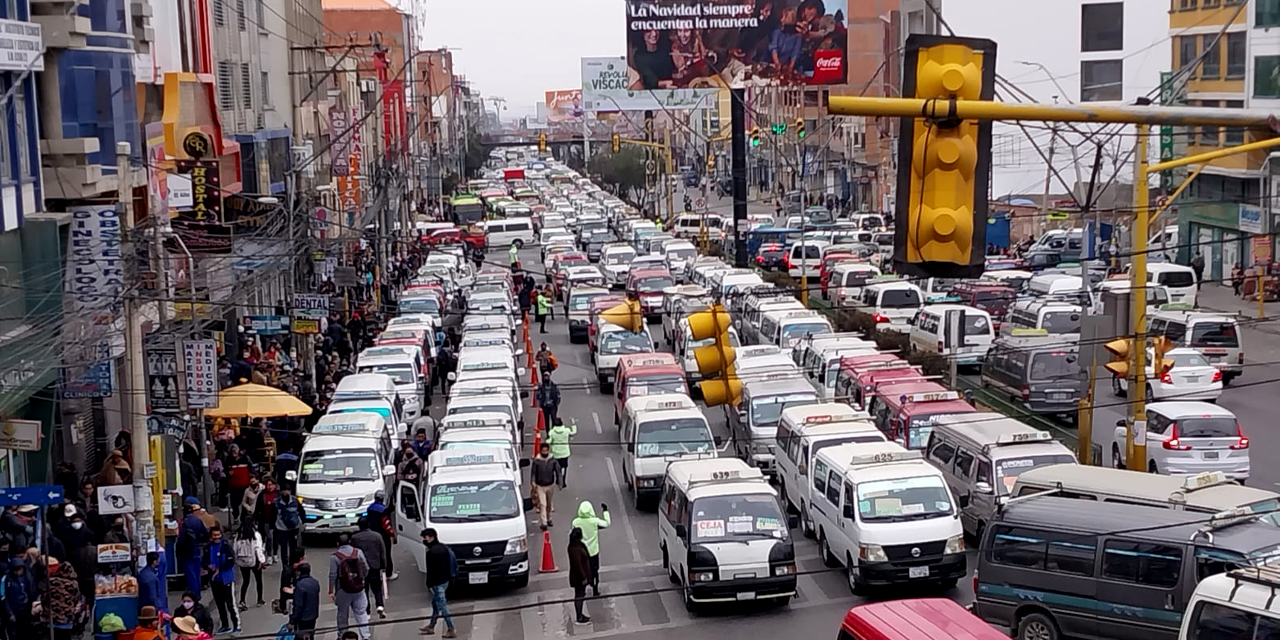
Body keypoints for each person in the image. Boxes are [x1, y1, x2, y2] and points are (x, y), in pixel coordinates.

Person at [328, 533, 371, 640]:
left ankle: (342, 635)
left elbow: (332, 575)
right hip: (359, 589)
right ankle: (366, 636)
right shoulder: (358, 552)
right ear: (350, 542)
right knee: (361, 613)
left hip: (343, 590)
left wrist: (331, 590)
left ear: (337, 543)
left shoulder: (335, 557)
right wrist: (361, 580)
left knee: (342, 614)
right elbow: (366, 568)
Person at [418, 528, 457, 637]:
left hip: (437, 583)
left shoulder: (431, 552)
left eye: (424, 537)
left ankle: (451, 628)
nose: (423, 540)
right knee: (436, 605)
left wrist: (429, 584)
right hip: (445, 580)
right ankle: (431, 626)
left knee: (442, 606)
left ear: (430, 537)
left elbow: (431, 570)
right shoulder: (444, 548)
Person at [204, 527, 241, 634]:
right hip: (214, 580)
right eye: (214, 535)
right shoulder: (208, 548)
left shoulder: (226, 547)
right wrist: (208, 566)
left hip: (226, 579)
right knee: (219, 604)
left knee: (230, 604)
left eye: (218, 535)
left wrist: (219, 569)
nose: (216, 537)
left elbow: (231, 561)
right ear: (211, 536)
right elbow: (203, 562)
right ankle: (225, 625)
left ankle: (237, 625)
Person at [350, 518, 387, 619]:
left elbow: (353, 554)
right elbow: (382, 552)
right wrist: (384, 566)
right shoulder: (377, 536)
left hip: (361, 567)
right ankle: (380, 605)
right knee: (377, 588)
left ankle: (367, 611)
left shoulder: (355, 538)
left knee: (364, 589)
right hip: (375, 565)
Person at [571, 502, 611, 596]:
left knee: (583, 570)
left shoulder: (575, 522)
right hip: (593, 551)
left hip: (582, 552)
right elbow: (607, 523)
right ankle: (595, 589)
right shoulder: (594, 521)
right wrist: (605, 511)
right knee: (594, 571)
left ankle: (583, 589)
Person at [178, 497, 210, 599]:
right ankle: (198, 594)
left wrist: (178, 550)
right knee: (197, 573)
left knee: (191, 574)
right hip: (197, 548)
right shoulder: (197, 520)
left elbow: (182, 539)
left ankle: (194, 595)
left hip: (188, 551)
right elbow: (205, 532)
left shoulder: (185, 522)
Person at [44, 559, 84, 640]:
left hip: (52, 618)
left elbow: (44, 598)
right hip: (66, 619)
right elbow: (76, 599)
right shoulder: (73, 584)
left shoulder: (51, 581)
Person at [233, 517, 265, 610]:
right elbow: (258, 549)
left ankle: (242, 601)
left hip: (242, 562)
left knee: (245, 581)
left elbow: (235, 549)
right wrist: (262, 560)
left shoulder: (239, 535)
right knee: (258, 580)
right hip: (254, 561)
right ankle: (259, 600)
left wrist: (236, 560)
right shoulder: (255, 535)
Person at [365, 490, 397, 581]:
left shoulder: (370, 508)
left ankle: (377, 573)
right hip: (383, 536)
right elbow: (386, 524)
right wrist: (392, 535)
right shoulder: (383, 510)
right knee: (386, 554)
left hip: (372, 534)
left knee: (375, 554)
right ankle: (388, 574)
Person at [274, 485, 305, 573]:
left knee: (293, 548)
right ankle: (285, 566)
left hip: (293, 528)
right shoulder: (277, 502)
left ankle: (292, 565)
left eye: (287, 490)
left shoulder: (295, 501)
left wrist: (302, 522)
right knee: (283, 548)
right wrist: (273, 527)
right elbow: (273, 515)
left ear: (290, 491)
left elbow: (301, 511)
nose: (285, 493)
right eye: (283, 490)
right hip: (281, 528)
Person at [0, 557, 35, 636]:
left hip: (26, 612)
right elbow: (3, 596)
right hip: (13, 611)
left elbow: (32, 592)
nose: (18, 571)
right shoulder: (6, 579)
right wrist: (9, 613)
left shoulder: (28, 577)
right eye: (16, 569)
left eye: (20, 569)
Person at [567, 527, 593, 625]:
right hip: (578, 577)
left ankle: (580, 614)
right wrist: (584, 578)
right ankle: (579, 616)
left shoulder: (577, 545)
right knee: (579, 596)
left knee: (581, 595)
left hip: (579, 575)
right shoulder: (575, 549)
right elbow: (578, 565)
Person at [289, 560, 320, 640]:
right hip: (313, 616)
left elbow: (298, 605)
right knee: (310, 636)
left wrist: (292, 620)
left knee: (300, 637)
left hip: (302, 618)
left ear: (299, 572)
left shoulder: (300, 585)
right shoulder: (315, 582)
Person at [530, 443, 559, 531]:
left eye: (546, 450)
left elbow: (558, 471)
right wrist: (533, 481)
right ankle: (544, 522)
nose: (545, 452)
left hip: (550, 485)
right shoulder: (537, 461)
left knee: (549, 504)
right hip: (540, 486)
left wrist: (559, 482)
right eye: (543, 451)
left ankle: (548, 518)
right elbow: (533, 473)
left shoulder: (552, 460)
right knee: (543, 504)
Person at [547, 417, 576, 488]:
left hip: (555, 453)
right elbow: (573, 432)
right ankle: (563, 480)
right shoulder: (566, 430)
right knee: (564, 467)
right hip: (565, 452)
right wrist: (573, 425)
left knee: (556, 467)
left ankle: (557, 479)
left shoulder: (552, 432)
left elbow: (549, 441)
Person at [136, 551, 167, 615]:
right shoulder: (152, 577)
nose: (159, 561)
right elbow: (153, 596)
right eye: (158, 559)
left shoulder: (142, 573)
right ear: (154, 561)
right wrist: (157, 608)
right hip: (149, 609)